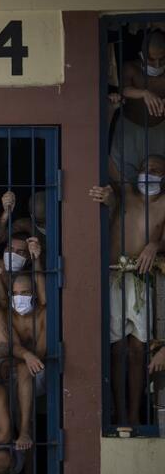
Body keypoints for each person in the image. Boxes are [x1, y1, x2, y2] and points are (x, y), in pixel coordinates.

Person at [89, 154, 165, 423]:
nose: (149, 174)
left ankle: (134, 414)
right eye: (145, 168)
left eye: (156, 170)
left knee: (138, 351)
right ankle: (119, 414)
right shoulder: (126, 192)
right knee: (116, 348)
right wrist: (109, 112)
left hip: (143, 280)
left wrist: (155, 245)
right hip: (114, 277)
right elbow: (104, 155)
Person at [110, 30, 165, 183]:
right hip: (130, 127)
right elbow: (123, 89)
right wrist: (144, 93)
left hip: (160, 128)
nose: (157, 64)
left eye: (162, 59)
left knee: (157, 174)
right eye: (151, 59)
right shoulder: (131, 68)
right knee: (125, 173)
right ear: (142, 54)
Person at [5, 274, 47, 451]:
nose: (19, 298)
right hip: (12, 372)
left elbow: (41, 354)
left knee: (23, 368)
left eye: (25, 292)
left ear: (34, 294)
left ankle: (24, 431)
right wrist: (25, 356)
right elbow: (12, 347)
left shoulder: (44, 314)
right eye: (15, 293)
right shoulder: (8, 316)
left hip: (41, 370)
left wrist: (27, 357)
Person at [0, 232, 46, 310]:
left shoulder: (31, 272)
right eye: (10, 249)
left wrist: (36, 258)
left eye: (20, 252)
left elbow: (43, 300)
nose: (13, 255)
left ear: (28, 258)